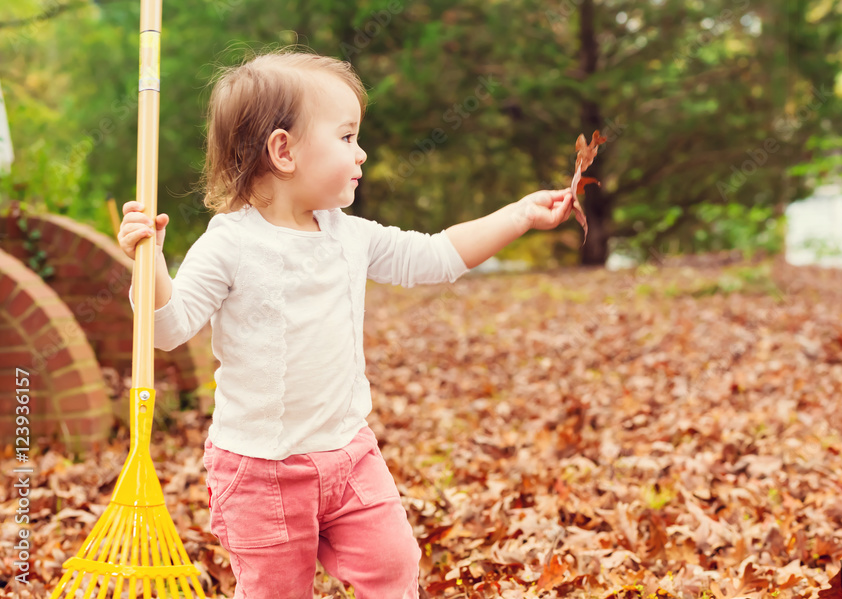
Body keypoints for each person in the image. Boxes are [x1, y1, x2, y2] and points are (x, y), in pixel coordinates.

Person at [116, 50, 575, 599]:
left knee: (393, 565)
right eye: (347, 137)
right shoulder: (229, 244)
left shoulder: (347, 235)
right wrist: (151, 266)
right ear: (283, 150)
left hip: (350, 456)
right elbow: (168, 329)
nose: (361, 153)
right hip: (261, 473)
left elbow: (433, 256)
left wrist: (519, 214)